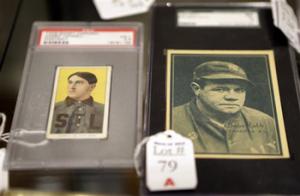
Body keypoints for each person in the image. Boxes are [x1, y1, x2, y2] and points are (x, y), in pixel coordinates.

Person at [172, 61, 279, 154]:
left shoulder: (265, 122)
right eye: (220, 89)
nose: (232, 97)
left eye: (239, 90)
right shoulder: (171, 121)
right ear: (197, 89)